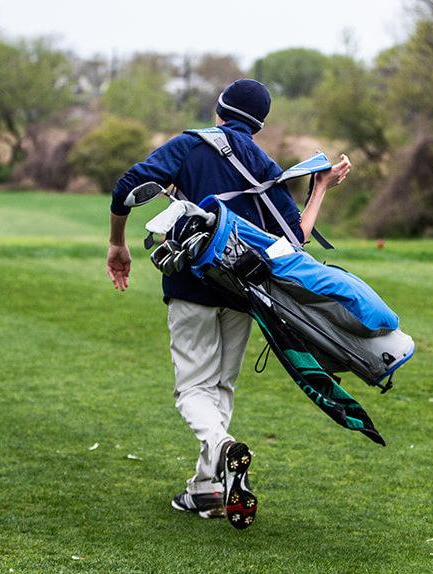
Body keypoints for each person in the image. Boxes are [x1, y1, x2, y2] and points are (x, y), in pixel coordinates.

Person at [106, 79, 351, 529]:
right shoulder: (264, 164)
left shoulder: (190, 144)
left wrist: (117, 243)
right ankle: (207, 490)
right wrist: (319, 190)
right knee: (220, 388)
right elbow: (293, 240)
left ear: (219, 109)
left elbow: (126, 187)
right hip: (243, 293)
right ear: (258, 125)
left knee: (192, 391)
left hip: (192, 289)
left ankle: (223, 449)